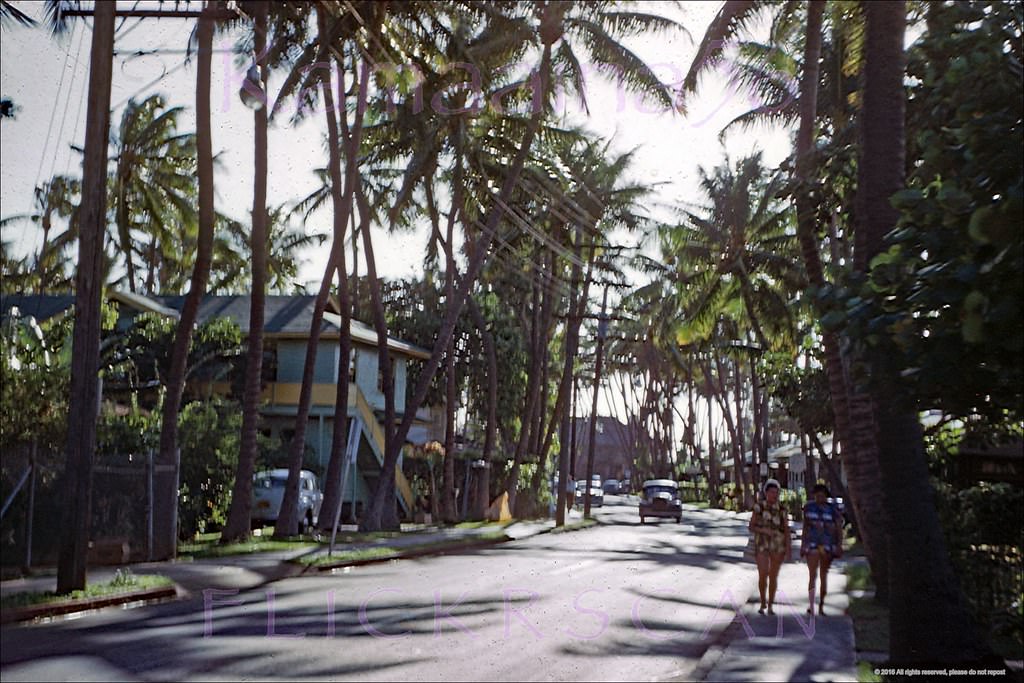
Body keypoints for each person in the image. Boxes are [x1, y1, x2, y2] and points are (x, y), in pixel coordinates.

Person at [748, 479, 790, 615]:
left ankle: (771, 604)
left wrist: (788, 548)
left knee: (773, 575)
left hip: (778, 544)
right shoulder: (759, 507)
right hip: (762, 543)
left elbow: (786, 529)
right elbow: (751, 526)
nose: (774, 495)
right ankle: (762, 602)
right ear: (766, 493)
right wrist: (764, 531)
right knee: (763, 573)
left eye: (776, 493)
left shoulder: (783, 509)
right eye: (771, 492)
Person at [801, 483, 844, 615]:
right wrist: (803, 544)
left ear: (826, 496)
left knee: (823, 575)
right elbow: (805, 527)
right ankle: (811, 604)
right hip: (812, 544)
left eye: (822, 495)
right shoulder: (809, 508)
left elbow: (838, 529)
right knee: (812, 575)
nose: (819, 498)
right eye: (817, 495)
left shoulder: (833, 510)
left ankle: (821, 605)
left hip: (827, 545)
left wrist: (838, 545)